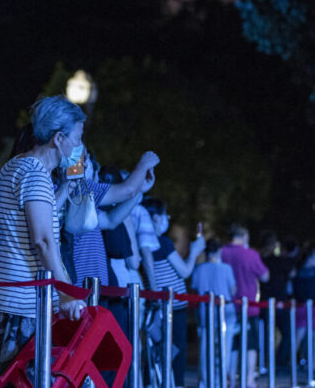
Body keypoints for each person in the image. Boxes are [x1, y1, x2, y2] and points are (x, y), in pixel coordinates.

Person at [0, 96, 88, 384]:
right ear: (59, 138)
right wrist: (66, 292)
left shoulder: (18, 166)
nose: (78, 146)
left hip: (4, 295)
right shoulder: (35, 175)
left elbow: (34, 217)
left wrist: (66, 186)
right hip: (21, 302)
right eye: (77, 137)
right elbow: (43, 240)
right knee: (16, 380)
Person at [68, 151, 157, 287]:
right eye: (81, 158)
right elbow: (128, 190)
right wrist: (144, 164)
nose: (85, 163)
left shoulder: (85, 200)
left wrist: (140, 191)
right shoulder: (80, 190)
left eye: (87, 159)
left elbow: (110, 221)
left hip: (95, 288)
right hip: (81, 289)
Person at [142, 197, 205, 386]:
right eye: (164, 215)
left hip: (156, 304)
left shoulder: (142, 243)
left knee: (157, 349)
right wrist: (195, 252)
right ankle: (176, 383)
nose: (166, 218)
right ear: (154, 219)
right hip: (173, 305)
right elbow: (184, 270)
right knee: (177, 349)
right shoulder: (162, 242)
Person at [221, 224, 269, 388]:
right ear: (244, 237)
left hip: (227, 305)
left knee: (232, 345)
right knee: (250, 345)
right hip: (249, 306)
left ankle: (231, 379)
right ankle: (248, 379)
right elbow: (265, 276)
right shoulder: (250, 254)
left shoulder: (222, 252)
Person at [100, 166, 144, 335]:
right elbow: (133, 261)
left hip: (93, 284)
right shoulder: (121, 215)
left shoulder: (90, 206)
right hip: (119, 286)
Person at [191, 238, 237, 388]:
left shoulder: (199, 269)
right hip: (226, 313)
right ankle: (221, 381)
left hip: (206, 313)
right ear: (219, 250)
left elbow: (195, 289)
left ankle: (205, 381)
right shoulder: (226, 269)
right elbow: (233, 290)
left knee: (206, 349)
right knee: (224, 350)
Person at [259, 234, 297, 368]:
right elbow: (292, 274)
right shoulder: (282, 261)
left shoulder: (260, 259)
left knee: (264, 334)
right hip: (279, 301)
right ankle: (279, 362)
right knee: (287, 333)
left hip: (263, 302)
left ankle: (263, 362)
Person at [292, 247, 315, 370]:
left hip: (300, 307)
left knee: (298, 336)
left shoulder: (297, 272)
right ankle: (314, 363)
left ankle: (292, 361)